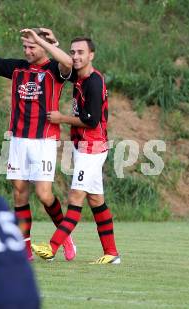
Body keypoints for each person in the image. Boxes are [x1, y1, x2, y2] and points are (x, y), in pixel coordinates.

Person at [0, 27, 76, 261]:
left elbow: (69, 62)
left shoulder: (54, 69)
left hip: (44, 141)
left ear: (43, 47)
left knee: (43, 194)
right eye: (25, 47)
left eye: (32, 46)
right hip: (19, 139)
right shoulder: (17, 67)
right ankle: (24, 247)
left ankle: (64, 237)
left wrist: (50, 43)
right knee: (19, 193)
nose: (27, 50)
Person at [32, 37, 120, 264]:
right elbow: (62, 62)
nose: (76, 56)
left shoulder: (93, 82)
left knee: (75, 196)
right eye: (73, 52)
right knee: (96, 201)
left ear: (91, 55)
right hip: (84, 146)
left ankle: (52, 247)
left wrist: (62, 118)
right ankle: (111, 253)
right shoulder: (78, 75)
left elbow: (91, 121)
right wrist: (49, 42)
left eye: (81, 52)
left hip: (92, 147)